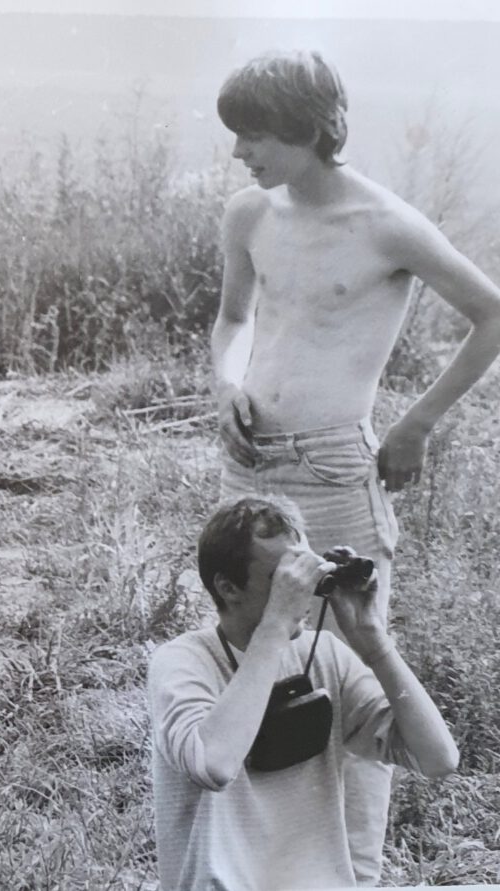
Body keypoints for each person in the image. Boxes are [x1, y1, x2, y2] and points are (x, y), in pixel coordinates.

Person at [210, 49, 500, 883]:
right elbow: (231, 321)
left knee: (350, 673)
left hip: (339, 471)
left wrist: (416, 424)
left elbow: (489, 313)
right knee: (248, 656)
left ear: (308, 128)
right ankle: (253, 860)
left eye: (256, 135)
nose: (241, 154)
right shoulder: (248, 215)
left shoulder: (386, 224)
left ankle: (352, 872)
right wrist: (225, 382)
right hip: (249, 466)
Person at [148, 496, 458, 891]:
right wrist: (276, 624)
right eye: (285, 580)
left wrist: (375, 643)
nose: (302, 591)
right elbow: (214, 765)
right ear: (228, 588)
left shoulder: (324, 654)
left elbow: (438, 758)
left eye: (305, 573)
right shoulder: (183, 662)